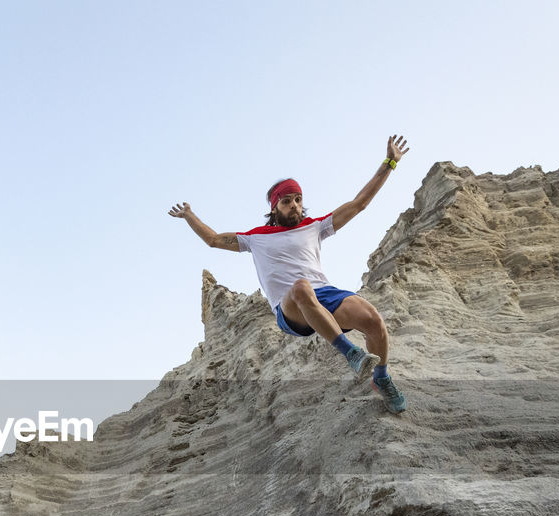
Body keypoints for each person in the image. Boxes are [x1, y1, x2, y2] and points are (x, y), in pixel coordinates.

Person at [168, 135, 410, 413]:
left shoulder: (315, 226)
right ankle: (351, 353)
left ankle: (382, 378)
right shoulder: (255, 238)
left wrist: (390, 162)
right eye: (286, 201)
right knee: (300, 288)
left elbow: (359, 204)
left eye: (298, 199)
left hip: (325, 295)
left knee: (374, 321)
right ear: (274, 207)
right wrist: (189, 215)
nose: (294, 205)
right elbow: (212, 239)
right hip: (291, 308)